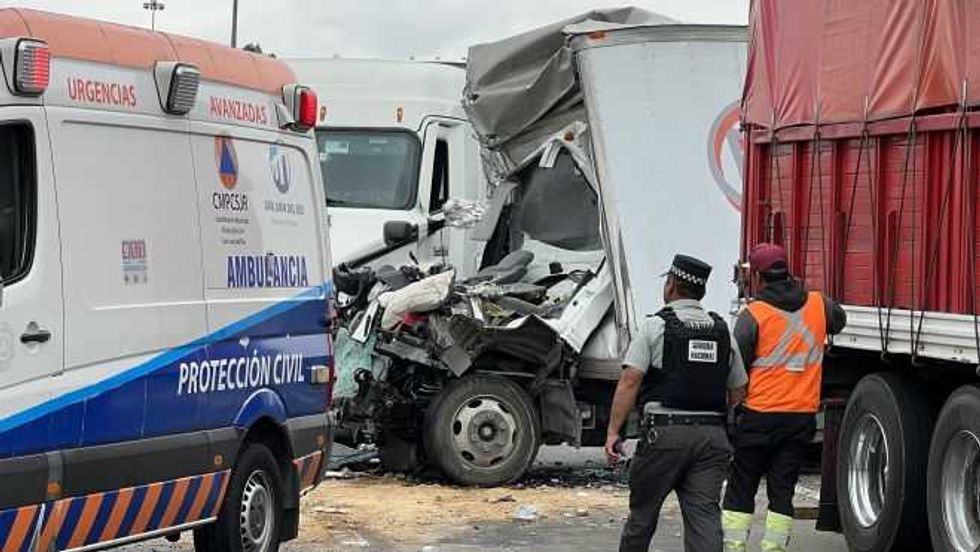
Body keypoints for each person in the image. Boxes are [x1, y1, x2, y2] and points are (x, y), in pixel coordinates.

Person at [606, 254, 748, 552]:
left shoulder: (654, 326)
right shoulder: (722, 332)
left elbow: (630, 380)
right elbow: (738, 390)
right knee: (704, 517)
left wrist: (613, 432)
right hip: (712, 438)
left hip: (664, 436)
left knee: (642, 516)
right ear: (701, 292)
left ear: (670, 285)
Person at [722, 243, 847, 552]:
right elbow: (839, 321)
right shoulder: (819, 304)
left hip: (758, 415)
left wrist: (729, 413)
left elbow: (736, 367)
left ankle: (734, 547)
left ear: (758, 278)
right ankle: (774, 548)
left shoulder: (752, 315)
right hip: (800, 418)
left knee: (742, 486)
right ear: (787, 271)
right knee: (782, 489)